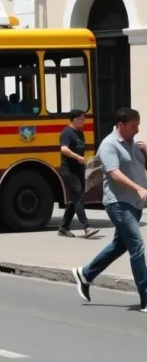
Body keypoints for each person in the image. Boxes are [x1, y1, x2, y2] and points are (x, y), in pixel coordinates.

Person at [72, 107, 147, 313]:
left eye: (138, 125)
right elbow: (114, 174)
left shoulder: (135, 144)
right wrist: (139, 188)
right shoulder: (109, 145)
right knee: (137, 245)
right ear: (120, 125)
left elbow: (140, 168)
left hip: (135, 203)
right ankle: (146, 298)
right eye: (134, 126)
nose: (137, 129)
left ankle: (85, 274)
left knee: (119, 246)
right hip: (118, 203)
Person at [58, 110, 100, 238]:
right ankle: (87, 227)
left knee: (75, 199)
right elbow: (64, 149)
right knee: (78, 198)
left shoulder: (80, 134)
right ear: (75, 119)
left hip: (78, 170)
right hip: (68, 171)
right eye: (82, 119)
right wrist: (77, 157)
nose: (84, 121)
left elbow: (81, 151)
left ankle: (63, 228)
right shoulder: (66, 133)